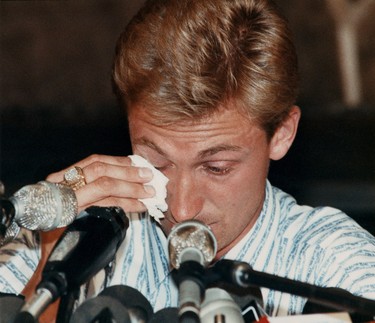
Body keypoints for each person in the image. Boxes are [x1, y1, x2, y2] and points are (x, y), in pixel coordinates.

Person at [1, 0, 375, 320]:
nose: (181, 207)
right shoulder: (71, 234)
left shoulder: (333, 263)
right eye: (155, 162)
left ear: (281, 134)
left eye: (216, 168)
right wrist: (54, 263)